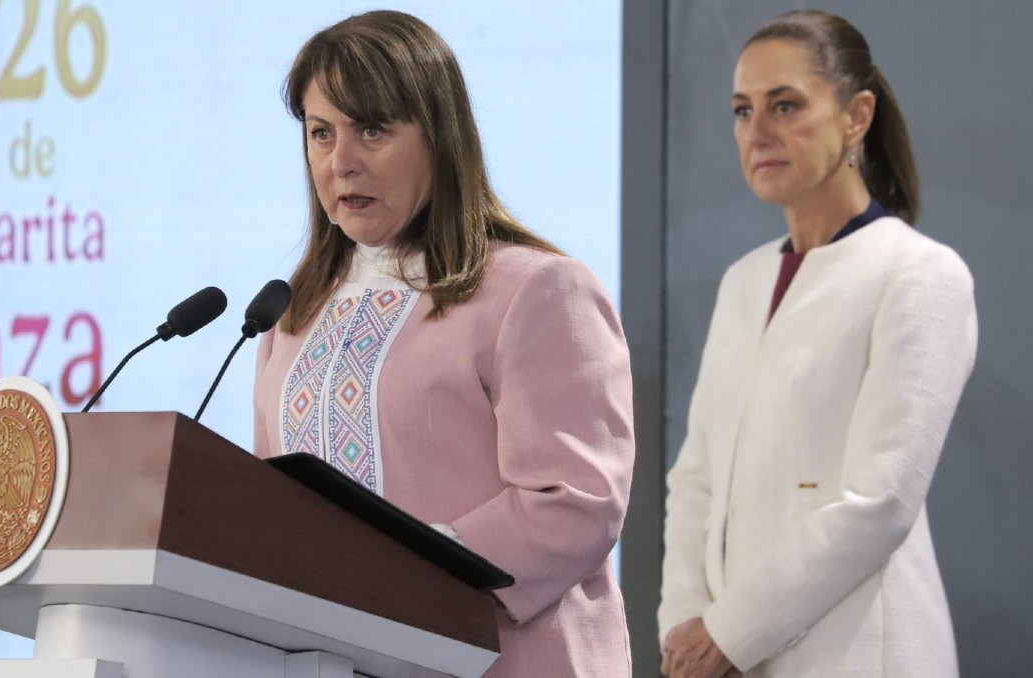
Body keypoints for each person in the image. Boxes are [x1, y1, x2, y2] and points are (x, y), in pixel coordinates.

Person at [251, 10, 635, 677]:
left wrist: (405, 574)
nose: (341, 161)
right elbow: (274, 510)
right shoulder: (292, 314)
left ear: (439, 135)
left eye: (372, 129)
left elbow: (576, 501)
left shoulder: (536, 289)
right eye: (321, 132)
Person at [658, 10, 976, 678]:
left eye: (785, 105)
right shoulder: (743, 282)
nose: (758, 132)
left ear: (857, 115)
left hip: (861, 652)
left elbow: (882, 502)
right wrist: (684, 623)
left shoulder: (920, 273)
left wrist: (729, 633)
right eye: (742, 111)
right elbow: (696, 478)